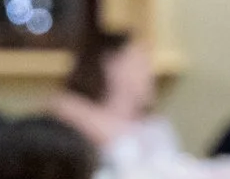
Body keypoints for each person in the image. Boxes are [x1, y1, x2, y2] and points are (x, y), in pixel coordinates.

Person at [48, 27, 176, 163]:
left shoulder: (156, 128)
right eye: (141, 64)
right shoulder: (67, 118)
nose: (150, 75)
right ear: (111, 64)